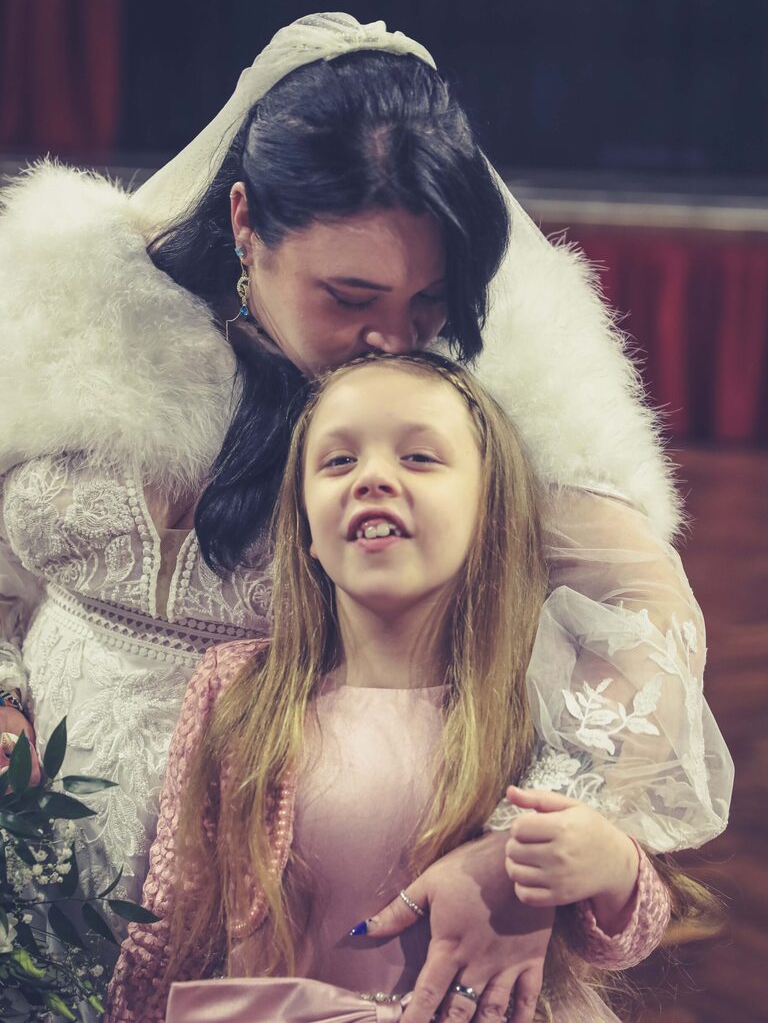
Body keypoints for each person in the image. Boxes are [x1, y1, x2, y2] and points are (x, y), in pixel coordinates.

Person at [0, 12, 731, 1009]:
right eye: (351, 294)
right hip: (30, 859)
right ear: (247, 221)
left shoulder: (473, 393)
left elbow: (641, 606)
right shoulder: (70, 308)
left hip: (278, 912)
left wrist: (535, 841)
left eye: (427, 301)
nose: (392, 339)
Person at [106, 352, 682, 1023]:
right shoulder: (237, 692)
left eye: (419, 459)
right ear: (308, 532)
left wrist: (607, 861)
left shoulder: (542, 699)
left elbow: (630, 925)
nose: (373, 477)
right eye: (339, 462)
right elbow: (171, 925)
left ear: (488, 511)